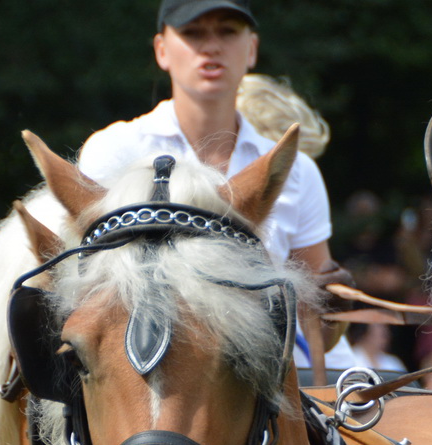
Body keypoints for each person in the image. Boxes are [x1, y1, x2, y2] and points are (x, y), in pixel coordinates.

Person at [76, 0, 356, 370]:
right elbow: (86, 289)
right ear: (162, 50)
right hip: (145, 373)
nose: (211, 46)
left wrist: (333, 306)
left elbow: (318, 312)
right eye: (192, 33)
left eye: (227, 31)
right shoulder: (115, 151)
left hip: (269, 376)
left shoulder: (297, 170)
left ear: (252, 48)